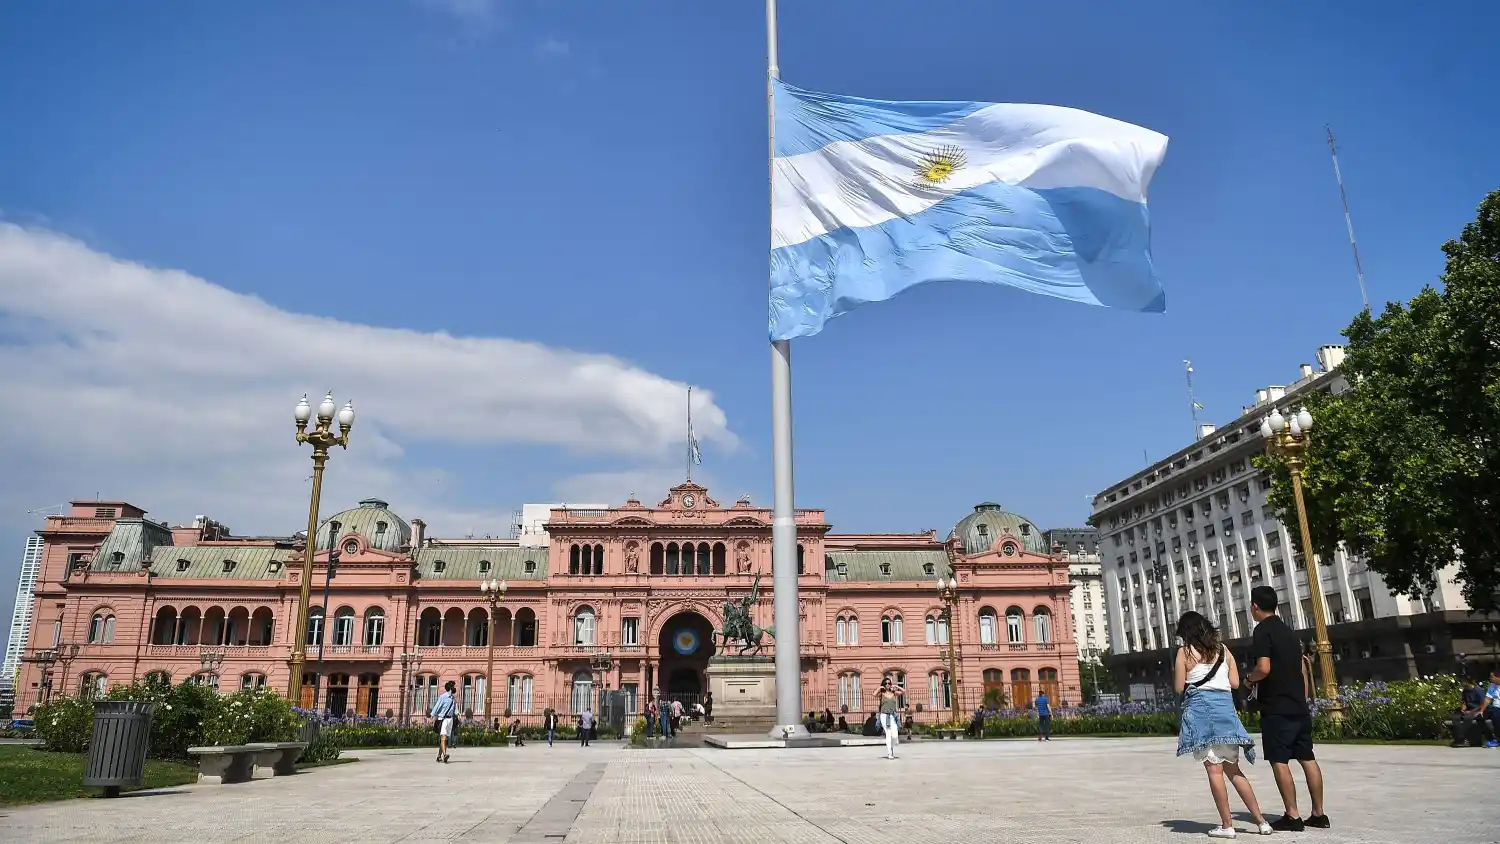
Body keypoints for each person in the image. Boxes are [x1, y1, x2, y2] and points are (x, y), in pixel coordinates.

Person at [1175, 611, 1272, 839]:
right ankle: (1261, 821)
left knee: (1214, 771)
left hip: (1201, 713)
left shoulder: (1184, 653)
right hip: (1225, 713)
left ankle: (1227, 825)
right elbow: (1235, 683)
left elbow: (1180, 686)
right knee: (1234, 770)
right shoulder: (1224, 650)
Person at [1246, 586, 1329, 831]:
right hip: (1298, 707)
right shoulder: (1290, 633)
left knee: (1279, 760)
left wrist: (1249, 680)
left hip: (1277, 707)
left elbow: (1264, 667)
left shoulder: (1262, 631)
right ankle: (1318, 814)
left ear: (1255, 607)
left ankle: (1292, 816)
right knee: (1307, 757)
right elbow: (1303, 670)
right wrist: (1302, 699)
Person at [1449, 679, 1488, 747]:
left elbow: (1482, 704)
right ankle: (1457, 738)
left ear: (1469, 683)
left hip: (1478, 709)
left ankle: (1463, 739)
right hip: (1468, 710)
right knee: (1455, 717)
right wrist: (1463, 708)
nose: (1463, 685)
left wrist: (1471, 711)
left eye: (1464, 683)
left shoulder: (1478, 690)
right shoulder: (1465, 691)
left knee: (1467, 718)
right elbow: (1464, 701)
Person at [429, 680, 458, 763]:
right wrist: (433, 714)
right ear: (450, 688)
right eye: (453, 686)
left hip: (450, 719)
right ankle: (445, 755)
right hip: (443, 719)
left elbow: (455, 708)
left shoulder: (453, 698)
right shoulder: (443, 697)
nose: (455, 688)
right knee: (443, 737)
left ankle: (439, 756)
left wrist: (458, 713)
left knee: (445, 739)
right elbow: (437, 706)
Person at [876, 678, 904, 760]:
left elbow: (903, 691)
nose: (888, 684)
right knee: (888, 733)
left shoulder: (894, 693)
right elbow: (873, 694)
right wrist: (879, 688)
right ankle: (889, 753)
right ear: (884, 684)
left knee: (895, 735)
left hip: (892, 715)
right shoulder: (882, 693)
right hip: (884, 715)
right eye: (886, 683)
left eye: (889, 683)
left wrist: (896, 686)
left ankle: (891, 747)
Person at [1479, 668, 1500, 748]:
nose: (1490, 678)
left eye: (1492, 677)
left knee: (1496, 713)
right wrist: (1481, 711)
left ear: (1498, 677)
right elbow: (1488, 699)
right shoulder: (1492, 686)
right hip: (1495, 708)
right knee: (1479, 717)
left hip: (1497, 710)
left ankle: (1498, 740)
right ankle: (1491, 739)